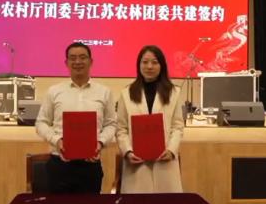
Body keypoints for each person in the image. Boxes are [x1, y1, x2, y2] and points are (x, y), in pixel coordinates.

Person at [35, 42, 117, 194]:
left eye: (82, 57)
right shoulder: (54, 91)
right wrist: (57, 141)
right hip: (59, 165)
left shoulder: (104, 92)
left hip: (90, 166)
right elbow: (41, 123)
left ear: (91, 61)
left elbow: (111, 124)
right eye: (72, 58)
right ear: (66, 63)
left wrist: (100, 142)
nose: (78, 62)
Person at [116, 45, 184, 193]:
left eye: (154, 62)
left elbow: (178, 126)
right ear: (139, 65)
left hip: (165, 162)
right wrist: (127, 151)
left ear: (162, 65)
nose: (149, 66)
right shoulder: (127, 93)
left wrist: (171, 150)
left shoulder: (174, 92)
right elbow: (121, 129)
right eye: (145, 62)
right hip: (136, 163)